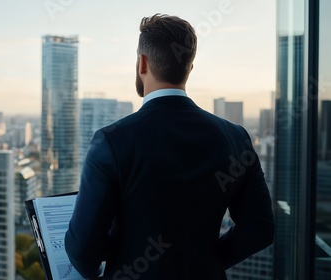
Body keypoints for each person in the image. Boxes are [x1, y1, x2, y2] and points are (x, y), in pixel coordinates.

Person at [64, 14, 274, 280]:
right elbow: (260, 228)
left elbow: (83, 248)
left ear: (142, 63)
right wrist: (210, 262)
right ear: (189, 68)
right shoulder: (235, 137)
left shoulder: (111, 141)